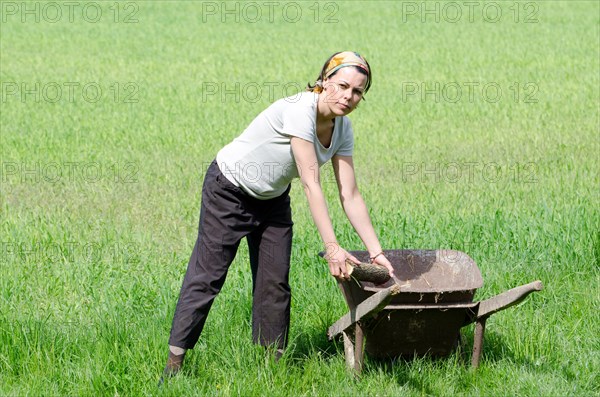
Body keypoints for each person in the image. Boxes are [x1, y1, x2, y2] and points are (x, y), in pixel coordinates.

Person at [161, 51, 395, 379]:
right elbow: (311, 183)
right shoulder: (301, 110)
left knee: (275, 283)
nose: (348, 96)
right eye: (342, 85)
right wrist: (332, 247)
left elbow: (350, 195)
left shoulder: (343, 129)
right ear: (323, 81)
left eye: (358, 92)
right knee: (208, 277)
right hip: (228, 188)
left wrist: (377, 252)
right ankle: (174, 364)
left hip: (271, 200)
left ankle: (272, 371)